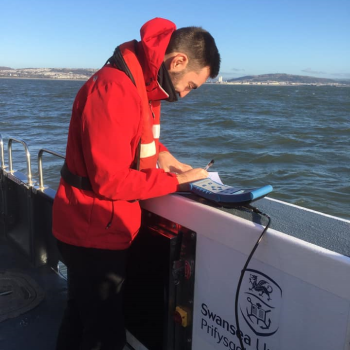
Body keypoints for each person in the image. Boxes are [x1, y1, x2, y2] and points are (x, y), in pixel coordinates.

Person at [52, 17, 220, 350]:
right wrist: (176, 181)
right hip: (92, 230)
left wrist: (165, 156)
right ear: (178, 62)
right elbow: (110, 181)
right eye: (190, 86)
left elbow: (134, 137)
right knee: (104, 336)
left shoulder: (139, 85)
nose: (185, 95)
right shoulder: (115, 89)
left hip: (97, 226)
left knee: (80, 317)